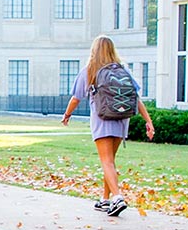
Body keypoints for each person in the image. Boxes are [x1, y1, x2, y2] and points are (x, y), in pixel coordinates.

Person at [62, 36, 156, 217]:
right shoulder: (123, 70)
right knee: (110, 161)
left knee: (106, 161)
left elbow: (76, 98)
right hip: (121, 120)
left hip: (102, 119)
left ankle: (117, 197)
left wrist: (67, 115)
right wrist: (148, 121)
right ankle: (105, 199)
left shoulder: (90, 70)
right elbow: (136, 98)